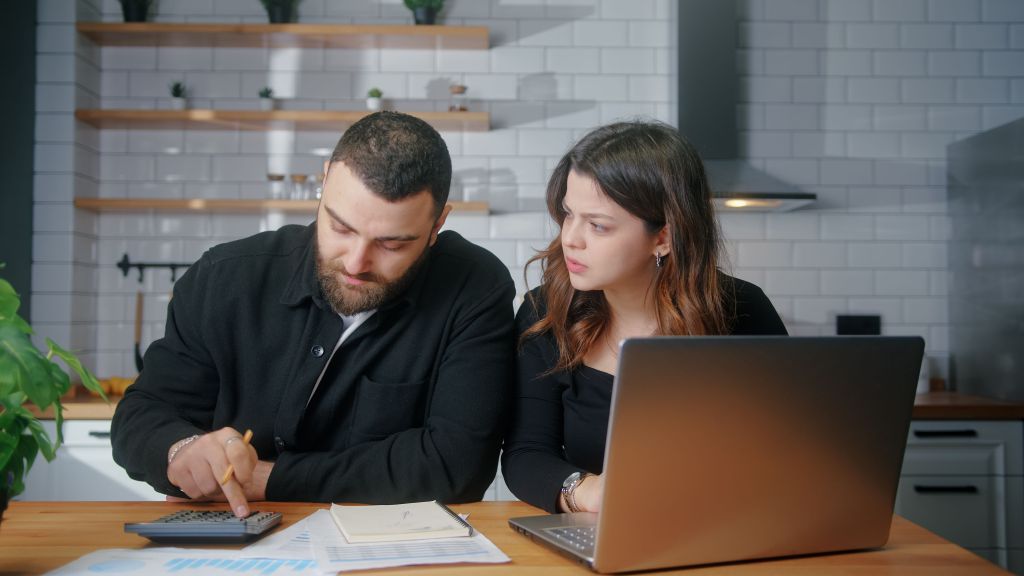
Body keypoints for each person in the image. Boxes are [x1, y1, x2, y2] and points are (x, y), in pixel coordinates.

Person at [111, 111, 515, 518]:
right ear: (325, 182)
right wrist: (183, 449)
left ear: (437, 224)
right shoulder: (225, 277)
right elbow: (142, 415)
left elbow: (456, 463)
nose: (357, 263)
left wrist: (269, 480)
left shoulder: (473, 287)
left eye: (391, 245)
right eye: (340, 228)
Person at [501, 120, 788, 514]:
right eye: (569, 215)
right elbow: (526, 454)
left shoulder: (743, 310)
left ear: (664, 237)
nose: (570, 238)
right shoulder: (545, 312)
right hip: (599, 536)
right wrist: (585, 492)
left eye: (598, 226)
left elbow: (787, 448)